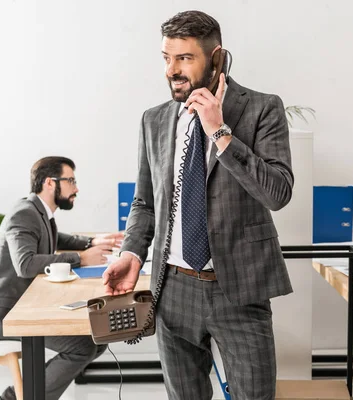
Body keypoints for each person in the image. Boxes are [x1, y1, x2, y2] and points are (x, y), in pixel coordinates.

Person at [102, 10, 294, 400]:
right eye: (166, 58)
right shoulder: (153, 120)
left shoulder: (261, 109)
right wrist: (132, 253)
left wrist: (220, 131)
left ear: (216, 58)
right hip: (172, 289)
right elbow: (146, 201)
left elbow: (277, 193)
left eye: (185, 58)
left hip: (238, 288)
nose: (172, 70)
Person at [0, 156, 123, 400]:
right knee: (84, 345)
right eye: (71, 180)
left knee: (95, 337)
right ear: (50, 183)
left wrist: (92, 242)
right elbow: (25, 265)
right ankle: (17, 397)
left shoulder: (38, 212)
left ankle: (25, 393)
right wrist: (81, 259)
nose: (76, 188)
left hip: (14, 308)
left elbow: (56, 238)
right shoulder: (25, 213)